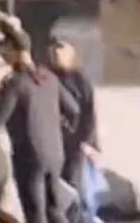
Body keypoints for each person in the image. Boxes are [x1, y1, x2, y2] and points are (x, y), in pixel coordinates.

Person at [0, 20, 77, 223]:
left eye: (5, 49)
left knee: (36, 214)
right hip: (55, 154)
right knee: (55, 211)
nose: (3, 54)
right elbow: (73, 110)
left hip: (29, 158)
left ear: (16, 51)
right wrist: (56, 131)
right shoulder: (49, 78)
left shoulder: (16, 83)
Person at [47, 38, 100, 221]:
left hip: (76, 143)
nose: (56, 57)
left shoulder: (81, 80)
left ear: (71, 55)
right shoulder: (48, 78)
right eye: (54, 54)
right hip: (54, 142)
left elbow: (89, 113)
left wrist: (87, 141)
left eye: (61, 53)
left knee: (75, 188)